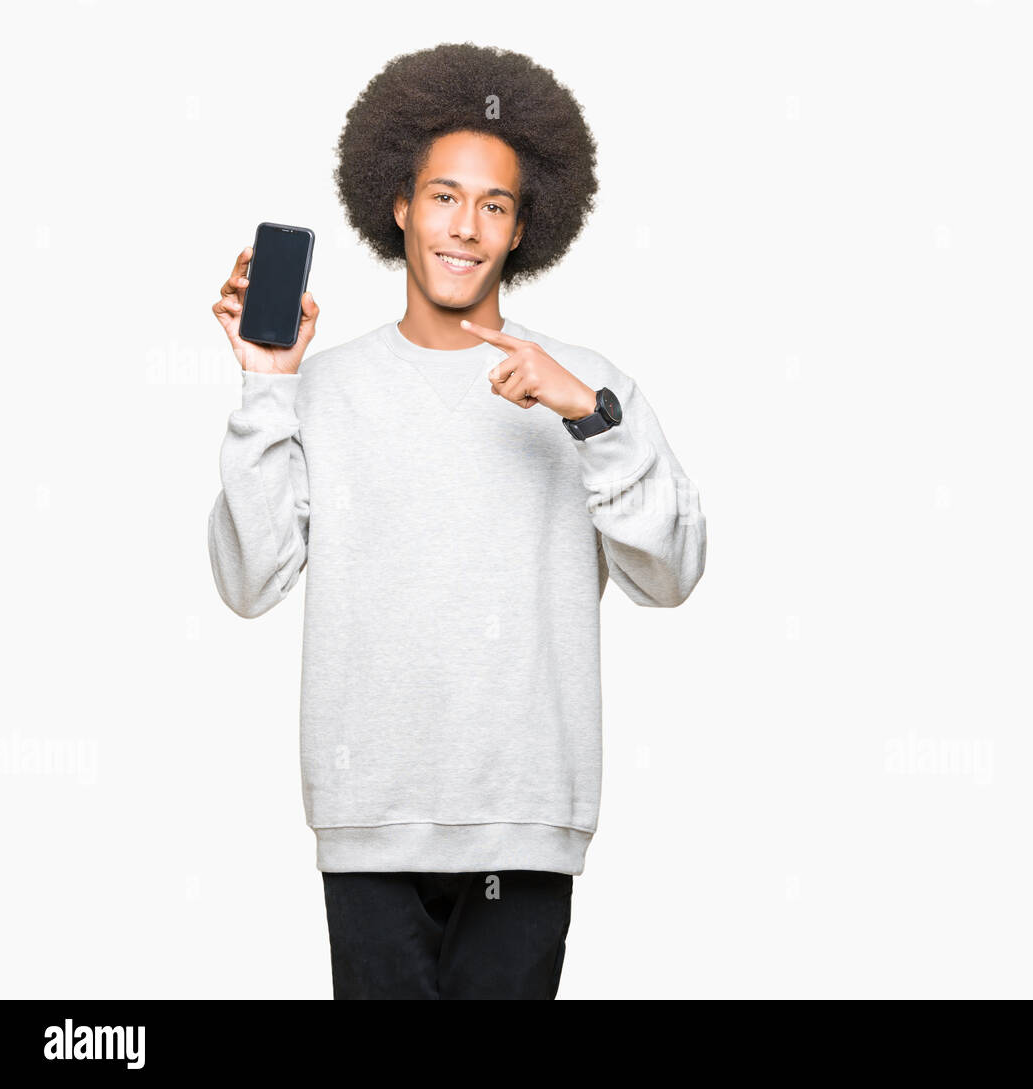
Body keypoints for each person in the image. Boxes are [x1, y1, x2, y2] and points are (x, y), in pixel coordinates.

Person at [206, 42, 706, 1000]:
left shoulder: (584, 385)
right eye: (443, 196)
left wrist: (590, 419)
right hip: (368, 824)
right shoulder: (327, 390)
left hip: (525, 825)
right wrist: (266, 387)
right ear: (399, 205)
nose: (464, 227)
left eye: (494, 204)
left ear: (524, 227)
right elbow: (247, 582)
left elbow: (673, 573)